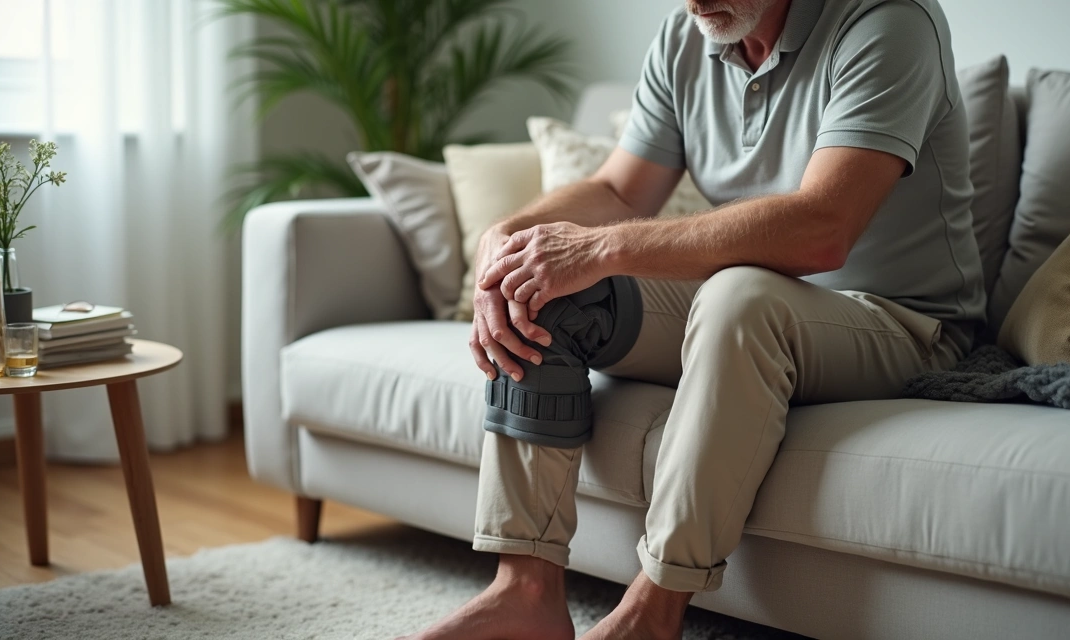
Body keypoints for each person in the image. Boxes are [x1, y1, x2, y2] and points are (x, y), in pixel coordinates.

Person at [403, 0, 984, 637]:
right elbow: (621, 192)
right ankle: (526, 590)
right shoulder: (691, 34)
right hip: (748, 304)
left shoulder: (888, 21)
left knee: (735, 294)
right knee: (546, 287)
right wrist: (510, 236)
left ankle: (654, 611)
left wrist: (601, 248)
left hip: (902, 325)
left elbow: (824, 229)